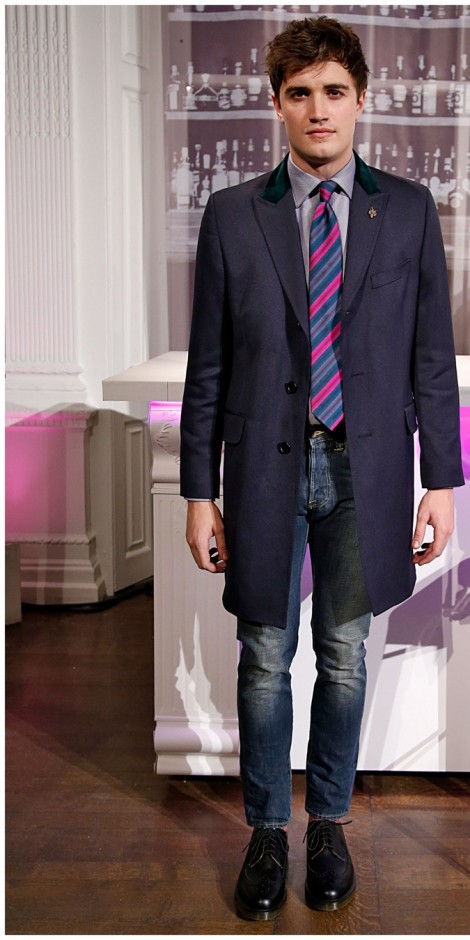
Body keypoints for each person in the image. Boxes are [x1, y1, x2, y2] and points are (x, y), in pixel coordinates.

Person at [180, 15, 464, 921]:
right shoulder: (233, 214)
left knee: (343, 655)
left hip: (364, 473)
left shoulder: (409, 210)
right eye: (299, 93)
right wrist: (198, 491)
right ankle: (268, 830)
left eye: (334, 91)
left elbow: (431, 359)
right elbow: (209, 366)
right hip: (264, 469)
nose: (318, 109)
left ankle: (329, 823)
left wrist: (442, 481)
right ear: (276, 104)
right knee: (265, 654)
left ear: (361, 99)